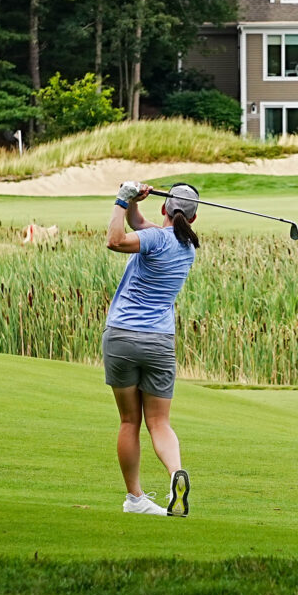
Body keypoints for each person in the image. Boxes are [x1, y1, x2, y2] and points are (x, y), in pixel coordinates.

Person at [103, 180, 200, 516]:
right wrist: (133, 204)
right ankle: (176, 473)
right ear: (194, 218)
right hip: (159, 343)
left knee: (130, 421)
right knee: (159, 423)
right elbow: (138, 225)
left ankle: (135, 498)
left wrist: (120, 199)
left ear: (165, 209)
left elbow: (115, 240)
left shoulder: (156, 239)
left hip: (122, 337)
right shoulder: (187, 249)